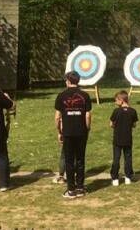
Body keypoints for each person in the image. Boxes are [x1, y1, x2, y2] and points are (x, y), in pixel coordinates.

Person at [55, 71, 92, 199]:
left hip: (68, 132)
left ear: (68, 81)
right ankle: (80, 188)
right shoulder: (85, 95)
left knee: (69, 161)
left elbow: (57, 116)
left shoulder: (61, 95)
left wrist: (59, 131)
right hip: (81, 132)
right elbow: (87, 115)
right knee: (80, 159)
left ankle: (71, 190)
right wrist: (87, 128)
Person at [110, 91, 138, 186]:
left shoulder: (116, 111)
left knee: (116, 158)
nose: (115, 102)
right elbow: (134, 125)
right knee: (128, 158)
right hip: (128, 139)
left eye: (116, 100)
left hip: (117, 139)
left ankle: (115, 179)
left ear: (121, 100)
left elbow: (111, 124)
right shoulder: (133, 111)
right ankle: (128, 178)